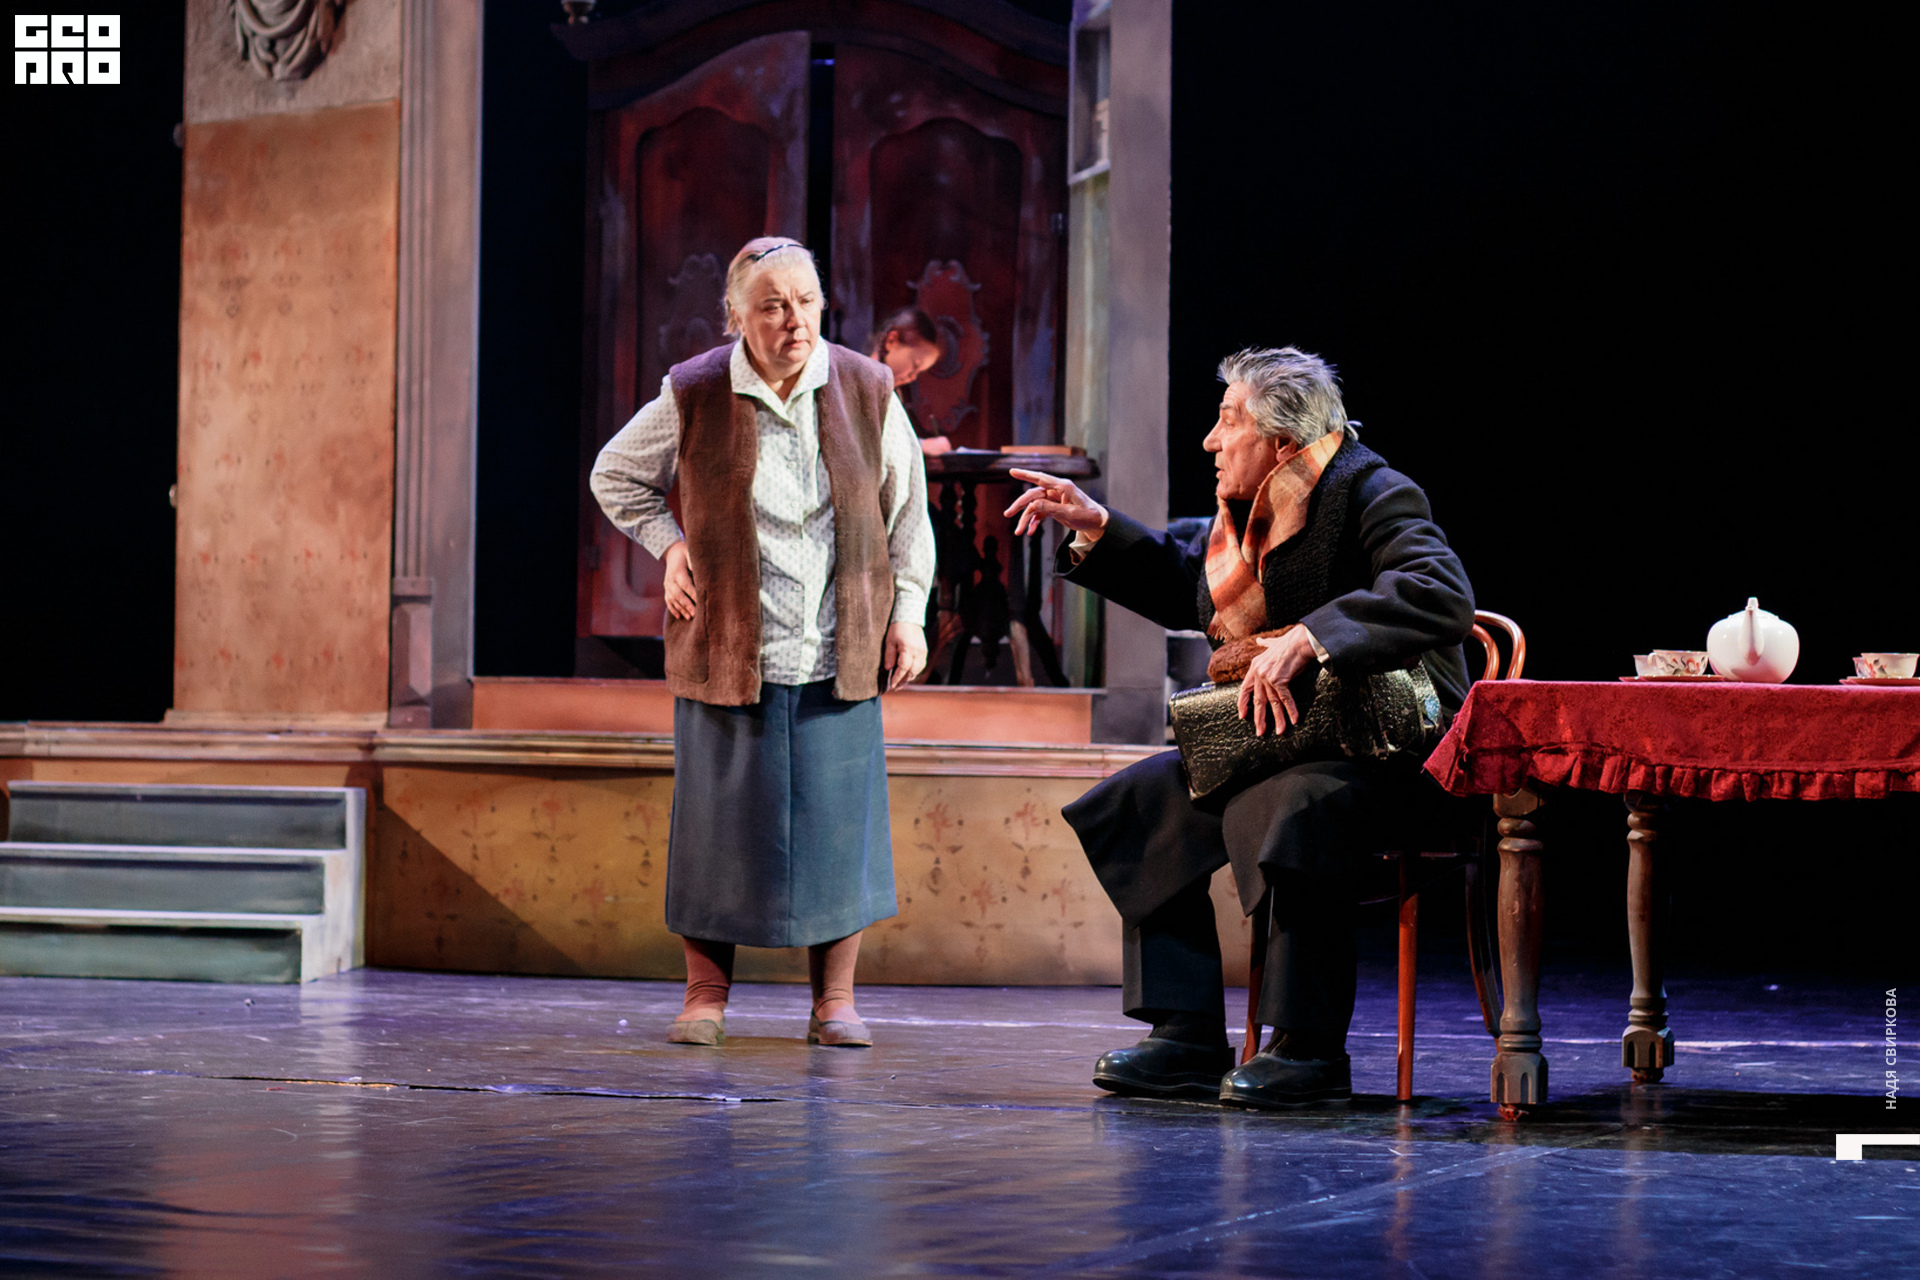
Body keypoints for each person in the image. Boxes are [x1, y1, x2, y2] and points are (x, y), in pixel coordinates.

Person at [1004, 347, 1474, 1107]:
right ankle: (1185, 1033)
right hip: (1286, 734)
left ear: (1282, 442)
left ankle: (1306, 1048)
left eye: (1229, 422)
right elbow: (1190, 585)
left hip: (1390, 750)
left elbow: (1438, 590)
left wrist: (1312, 636)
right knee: (1143, 801)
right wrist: (1096, 527)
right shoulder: (1248, 518)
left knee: (1292, 804)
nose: (1211, 441)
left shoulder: (1373, 491)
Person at [591, 236, 936, 1049]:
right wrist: (669, 544)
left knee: (837, 831)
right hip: (728, 649)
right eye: (773, 306)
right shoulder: (696, 390)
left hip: (836, 649)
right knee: (716, 835)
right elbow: (615, 473)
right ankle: (704, 997)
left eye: (806, 302)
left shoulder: (866, 386)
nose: (794, 321)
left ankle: (834, 1002)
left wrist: (909, 612)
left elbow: (906, 512)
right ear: (737, 316)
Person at [867, 306, 952, 456]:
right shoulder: (861, 383)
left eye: (919, 372)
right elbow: (868, 442)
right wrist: (923, 446)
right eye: (915, 365)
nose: (913, 377)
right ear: (891, 341)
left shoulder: (890, 392)